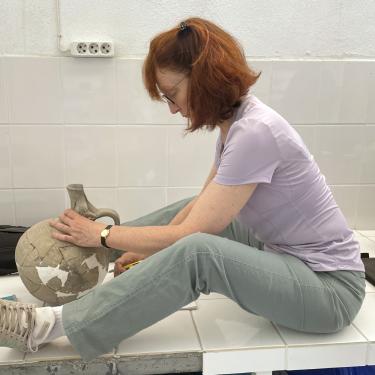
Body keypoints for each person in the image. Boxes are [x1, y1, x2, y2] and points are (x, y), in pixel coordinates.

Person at [0, 17, 366, 362]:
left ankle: (47, 326)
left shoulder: (256, 132)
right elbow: (199, 209)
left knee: (197, 253)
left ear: (205, 79)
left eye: (172, 94)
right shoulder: (237, 125)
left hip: (329, 290)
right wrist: (130, 248)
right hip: (286, 255)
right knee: (196, 213)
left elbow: (194, 235)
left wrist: (106, 233)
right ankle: (90, 265)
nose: (173, 109)